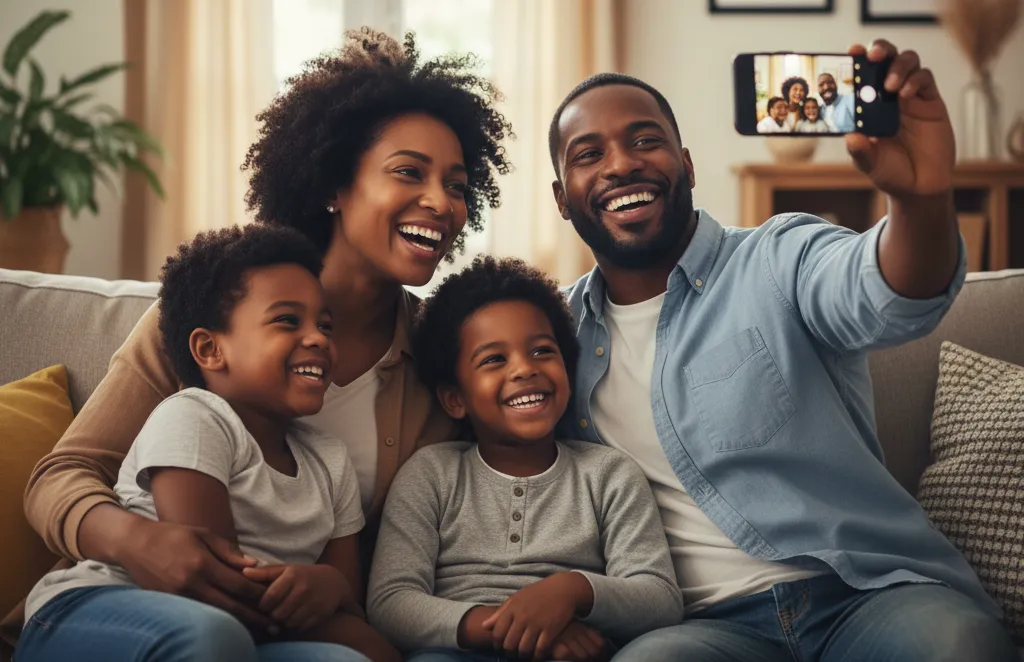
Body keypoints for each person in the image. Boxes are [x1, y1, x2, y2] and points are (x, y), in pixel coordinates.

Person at [9, 28, 511, 661]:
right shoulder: (212, 315)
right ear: (333, 183)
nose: (442, 203)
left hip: (293, 627)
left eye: (460, 186)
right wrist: (142, 543)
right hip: (136, 607)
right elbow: (59, 477)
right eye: (408, 172)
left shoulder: (445, 358)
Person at [547, 38, 1018, 662]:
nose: (621, 165)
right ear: (562, 198)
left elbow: (890, 290)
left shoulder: (779, 256)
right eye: (589, 154)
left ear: (686, 164)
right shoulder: (553, 334)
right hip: (703, 628)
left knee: (955, 646)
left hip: (866, 594)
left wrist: (921, 198)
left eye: (644, 140)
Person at [20, 224, 399, 662]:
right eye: (287, 320)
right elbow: (214, 583)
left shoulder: (330, 460)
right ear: (210, 349)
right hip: (95, 612)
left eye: (326, 325)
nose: (318, 338)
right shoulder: (195, 417)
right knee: (213, 633)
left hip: (244, 633)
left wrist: (331, 587)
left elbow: (345, 594)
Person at [367, 256, 683, 662]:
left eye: (542, 351)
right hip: (458, 651)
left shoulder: (608, 475)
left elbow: (660, 598)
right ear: (455, 399)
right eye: (494, 359)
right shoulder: (431, 474)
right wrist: (514, 628)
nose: (524, 370)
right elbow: (391, 603)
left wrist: (572, 592)